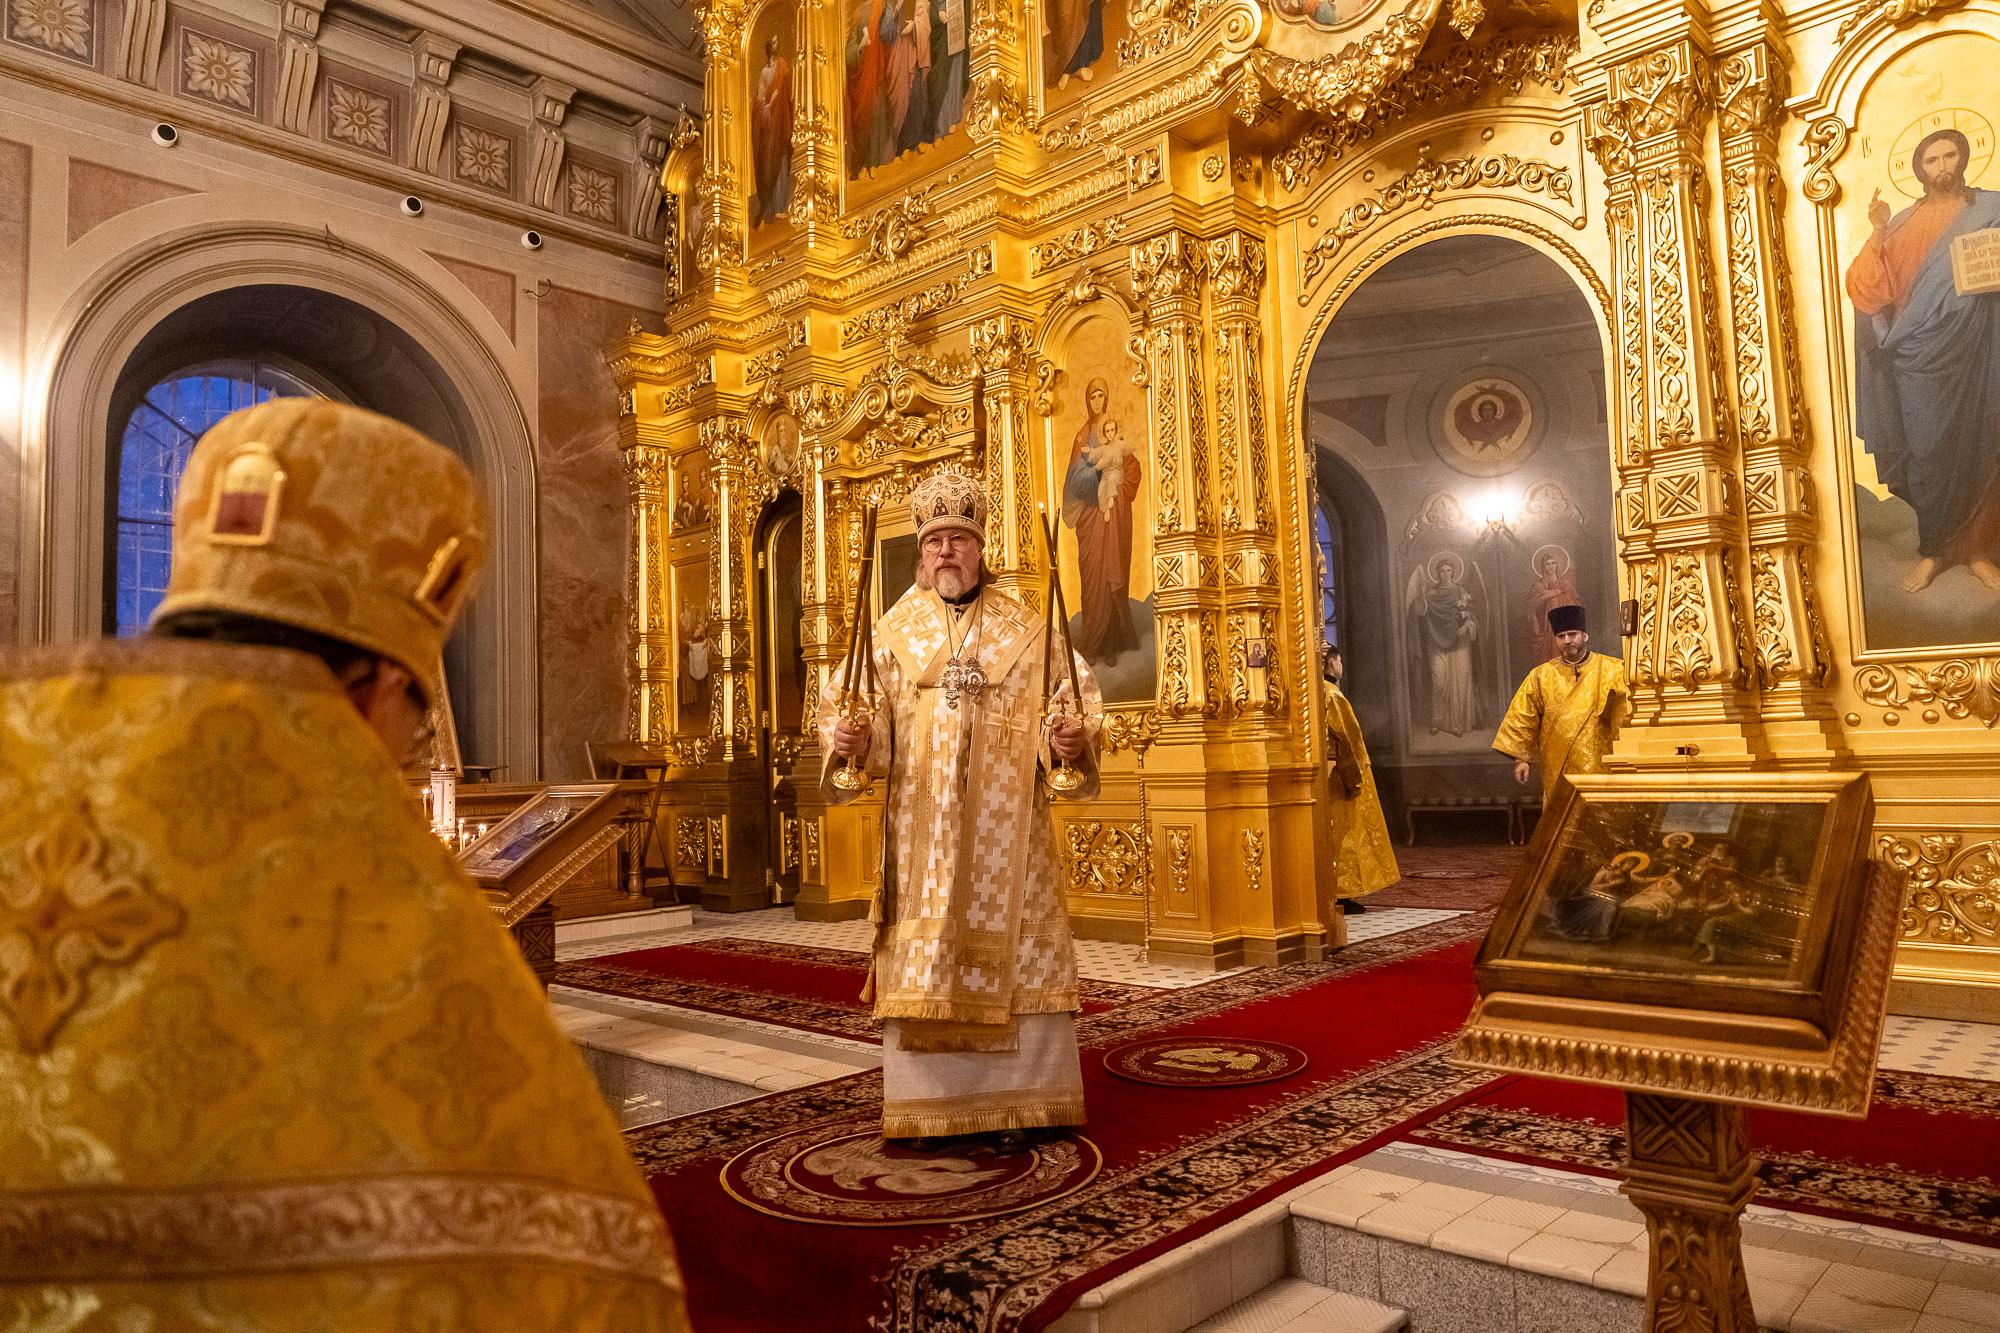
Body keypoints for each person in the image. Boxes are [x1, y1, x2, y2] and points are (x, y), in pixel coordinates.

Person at [0, 399, 687, 1329]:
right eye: (419, 704)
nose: (415, 741)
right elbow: (582, 1264)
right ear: (373, 684)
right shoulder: (382, 912)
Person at [820, 469, 1101, 1148]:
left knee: (1021, 958)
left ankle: (1026, 1107)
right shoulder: (890, 632)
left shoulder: (1027, 630)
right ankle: (928, 1109)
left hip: (1011, 842)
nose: (947, 551)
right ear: (922, 551)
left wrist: (1065, 737)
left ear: (980, 549)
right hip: (922, 839)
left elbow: (1073, 700)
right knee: (927, 959)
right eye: (936, 540)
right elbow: (849, 711)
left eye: (959, 539)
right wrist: (850, 739)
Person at [1845, 126, 2000, 594]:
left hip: (1978, 353)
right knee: (1929, 450)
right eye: (1932, 160)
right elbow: (1868, 284)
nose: (1944, 167)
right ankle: (1934, 550)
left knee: (1981, 445)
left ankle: (1976, 551)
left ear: (1965, 157)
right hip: (1917, 357)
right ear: (1919, 169)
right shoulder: (1904, 223)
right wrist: (1877, 232)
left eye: (1951, 155)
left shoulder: (1992, 211)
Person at [1493, 603, 1629, 804]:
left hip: (1600, 769)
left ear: (1585, 635)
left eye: (1572, 634)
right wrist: (1521, 760)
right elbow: (1523, 717)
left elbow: (1626, 716)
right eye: (1561, 636)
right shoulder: (1540, 676)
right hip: (1557, 770)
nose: (1567, 640)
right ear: (1556, 640)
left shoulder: (1613, 670)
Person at [1062, 377, 1142, 665]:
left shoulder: (1116, 436)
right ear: (1087, 401)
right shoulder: (1083, 438)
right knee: (1092, 573)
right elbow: (1074, 482)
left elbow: (1132, 468)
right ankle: (1092, 641)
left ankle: (1111, 642)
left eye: (1101, 396)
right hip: (1091, 517)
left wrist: (1119, 486)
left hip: (1115, 514)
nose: (1097, 402)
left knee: (1113, 572)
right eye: (1092, 397)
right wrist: (1097, 475)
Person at [1321, 646, 1398, 921]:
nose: (1342, 665)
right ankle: (1343, 891)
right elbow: (1349, 740)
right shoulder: (1332, 695)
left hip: (1323, 775)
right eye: (1339, 660)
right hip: (1338, 777)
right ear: (1331, 664)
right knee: (1348, 836)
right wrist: (1355, 778)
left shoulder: (1312, 692)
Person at [750, 32, 793, 226]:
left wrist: (779, 96)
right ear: (769, 47)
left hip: (781, 118)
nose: (777, 44)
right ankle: (770, 207)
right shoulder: (765, 72)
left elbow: (789, 88)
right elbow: (760, 95)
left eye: (778, 41)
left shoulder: (783, 65)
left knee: (782, 158)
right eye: (773, 41)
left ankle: (783, 205)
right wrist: (765, 106)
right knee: (768, 162)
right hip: (769, 121)